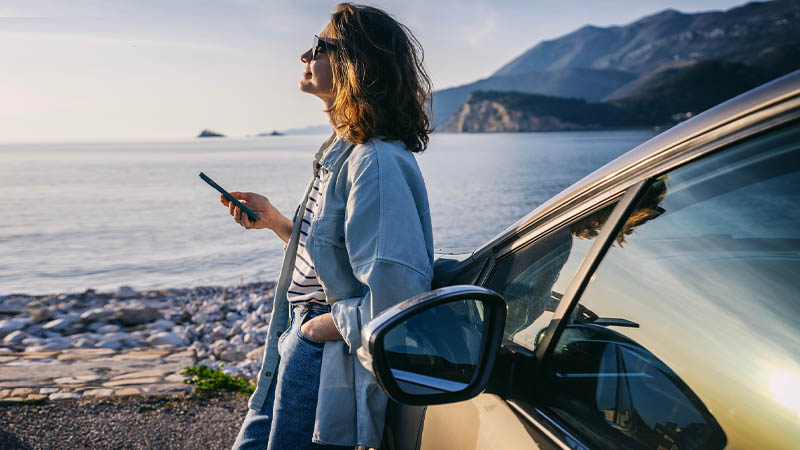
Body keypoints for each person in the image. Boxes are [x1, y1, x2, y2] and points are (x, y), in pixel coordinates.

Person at [222, 4, 434, 450]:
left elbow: (398, 297)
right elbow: (332, 261)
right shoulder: (342, 150)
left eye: (319, 47)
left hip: (321, 349)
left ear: (355, 63)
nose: (304, 54)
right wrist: (278, 223)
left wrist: (312, 331)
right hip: (297, 337)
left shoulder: (375, 163)